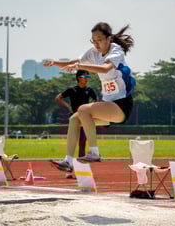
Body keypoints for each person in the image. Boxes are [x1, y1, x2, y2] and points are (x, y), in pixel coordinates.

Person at [44, 22, 136, 172]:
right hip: (108, 106)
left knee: (83, 109)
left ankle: (94, 152)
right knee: (75, 118)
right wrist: (54, 62)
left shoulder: (116, 51)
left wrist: (80, 67)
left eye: (99, 39)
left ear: (109, 38)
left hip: (121, 105)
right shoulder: (93, 52)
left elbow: (106, 69)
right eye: (93, 40)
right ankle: (68, 161)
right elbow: (71, 62)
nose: (96, 43)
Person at [55, 69, 99, 177]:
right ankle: (69, 170)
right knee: (72, 144)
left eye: (88, 76)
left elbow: (97, 100)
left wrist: (92, 110)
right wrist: (68, 107)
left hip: (85, 120)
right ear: (79, 78)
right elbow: (58, 98)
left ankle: (80, 171)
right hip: (74, 119)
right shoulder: (72, 90)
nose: (87, 79)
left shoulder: (90, 90)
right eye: (85, 77)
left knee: (83, 144)